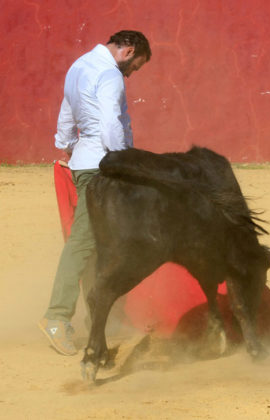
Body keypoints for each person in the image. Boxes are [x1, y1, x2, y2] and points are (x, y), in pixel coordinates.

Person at [39, 30, 152, 356]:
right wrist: (124, 161)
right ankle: (57, 317)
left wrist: (66, 146)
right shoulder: (110, 75)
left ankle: (102, 316)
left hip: (84, 163)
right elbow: (110, 126)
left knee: (100, 241)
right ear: (128, 50)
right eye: (135, 67)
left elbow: (67, 112)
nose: (131, 73)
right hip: (103, 168)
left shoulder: (79, 66)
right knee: (85, 240)